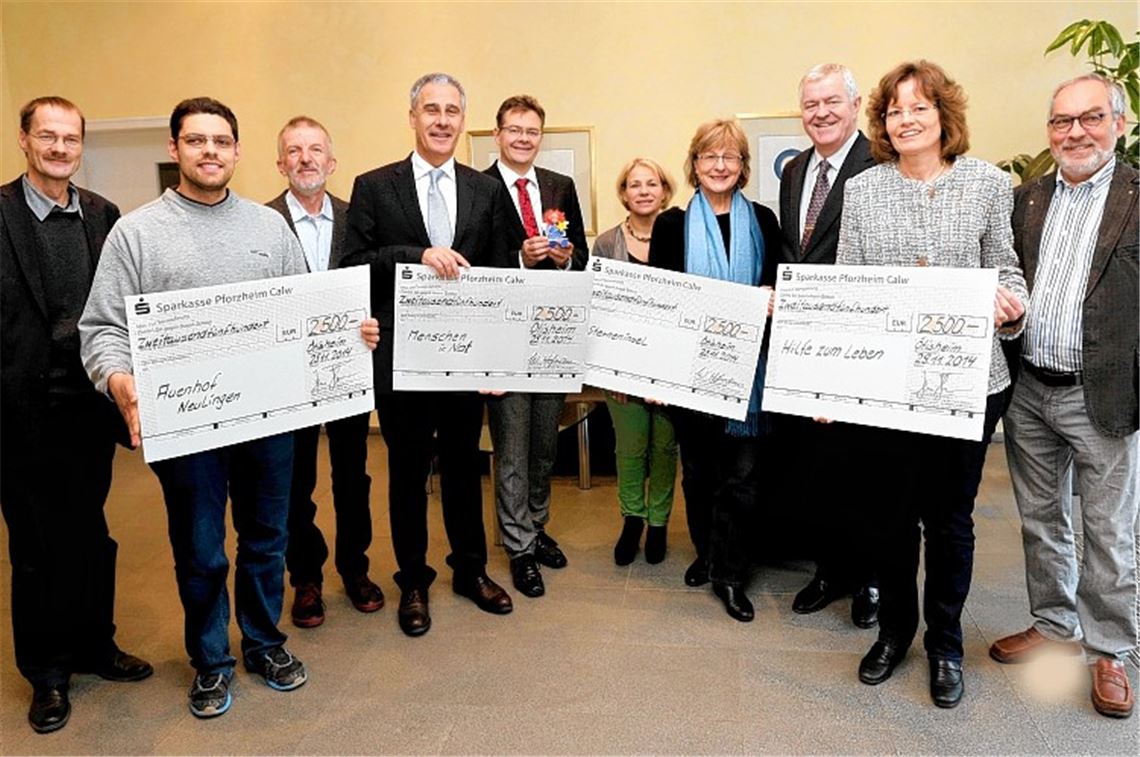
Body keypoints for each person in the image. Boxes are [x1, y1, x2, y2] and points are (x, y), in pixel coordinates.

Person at [80, 97, 379, 718]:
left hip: (268, 423)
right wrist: (116, 378)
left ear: (238, 154)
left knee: (267, 539)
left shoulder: (269, 230)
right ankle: (212, 661)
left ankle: (265, 642)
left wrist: (351, 335)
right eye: (197, 141)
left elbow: (306, 310)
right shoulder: (136, 233)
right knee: (201, 550)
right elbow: (102, 327)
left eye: (221, 141)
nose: (210, 151)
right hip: (185, 425)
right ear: (176, 149)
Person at [836, 61, 1027, 709]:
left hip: (970, 382)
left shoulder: (989, 183)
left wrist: (1010, 302)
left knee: (950, 520)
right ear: (883, 122)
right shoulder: (863, 191)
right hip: (889, 385)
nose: (906, 118)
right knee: (889, 517)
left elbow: (1009, 269)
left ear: (945, 116)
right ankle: (895, 632)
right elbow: (848, 288)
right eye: (894, 110)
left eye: (919, 107)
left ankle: (945, 641)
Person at [342, 72, 515, 637]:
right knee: (408, 470)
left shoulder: (486, 190)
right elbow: (353, 263)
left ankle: (470, 571)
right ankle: (412, 581)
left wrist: (495, 359)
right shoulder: (374, 186)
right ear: (412, 117)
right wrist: (416, 254)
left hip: (465, 359)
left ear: (463, 120)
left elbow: (497, 276)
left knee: (466, 469)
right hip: (401, 357)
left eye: (452, 111)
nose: (442, 120)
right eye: (431, 110)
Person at [1, 96, 153, 734]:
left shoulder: (103, 215)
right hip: (18, 409)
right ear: (24, 141)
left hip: (89, 403)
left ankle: (96, 644)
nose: (60, 148)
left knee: (91, 532)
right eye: (48, 136)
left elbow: (121, 305)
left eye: (71, 139)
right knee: (36, 545)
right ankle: (47, 672)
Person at [989, 74, 1138, 720]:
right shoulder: (1026, 199)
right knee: (1042, 517)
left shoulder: (1138, 197)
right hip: (1030, 388)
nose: (1073, 132)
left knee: (1107, 527)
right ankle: (1053, 625)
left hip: (1101, 391)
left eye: (1090, 118)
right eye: (1060, 121)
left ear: (1120, 124)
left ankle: (1110, 650)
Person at [649, 118, 781, 622]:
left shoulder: (765, 222)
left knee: (742, 479)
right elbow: (662, 303)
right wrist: (656, 376)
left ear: (743, 167)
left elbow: (775, 287)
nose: (720, 165)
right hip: (689, 373)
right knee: (699, 475)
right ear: (695, 165)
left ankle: (729, 573)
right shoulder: (671, 226)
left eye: (730, 157)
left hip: (750, 372)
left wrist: (770, 299)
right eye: (710, 157)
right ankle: (706, 552)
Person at [267, 116, 382, 629]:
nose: (306, 159)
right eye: (295, 150)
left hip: (350, 367)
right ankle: (306, 578)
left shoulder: (361, 217)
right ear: (280, 163)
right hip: (288, 374)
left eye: (316, 150)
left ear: (332, 164)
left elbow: (380, 281)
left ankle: (355, 569)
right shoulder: (261, 221)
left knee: (352, 476)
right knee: (295, 481)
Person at [777, 63, 879, 629]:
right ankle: (830, 570)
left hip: (859, 341)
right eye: (810, 103)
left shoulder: (879, 164)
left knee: (861, 467)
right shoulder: (795, 171)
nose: (820, 113)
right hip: (805, 344)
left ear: (855, 105)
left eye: (830, 102)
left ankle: (868, 579)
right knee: (817, 464)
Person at [482, 95, 589, 598]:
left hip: (552, 333)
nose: (523, 138)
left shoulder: (559, 186)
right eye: (514, 130)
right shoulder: (478, 188)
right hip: (504, 337)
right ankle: (518, 545)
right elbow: (475, 264)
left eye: (532, 131)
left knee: (546, 442)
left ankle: (537, 523)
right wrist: (519, 259)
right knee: (512, 445)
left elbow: (582, 256)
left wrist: (565, 259)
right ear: (498, 133)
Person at [591, 157, 679, 565]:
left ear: (665, 190)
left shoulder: (679, 234)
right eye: (634, 184)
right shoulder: (606, 243)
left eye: (651, 183)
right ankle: (633, 519)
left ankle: (659, 522)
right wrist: (613, 371)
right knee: (630, 448)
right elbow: (600, 309)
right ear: (623, 193)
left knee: (664, 447)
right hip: (622, 365)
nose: (643, 191)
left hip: (670, 366)